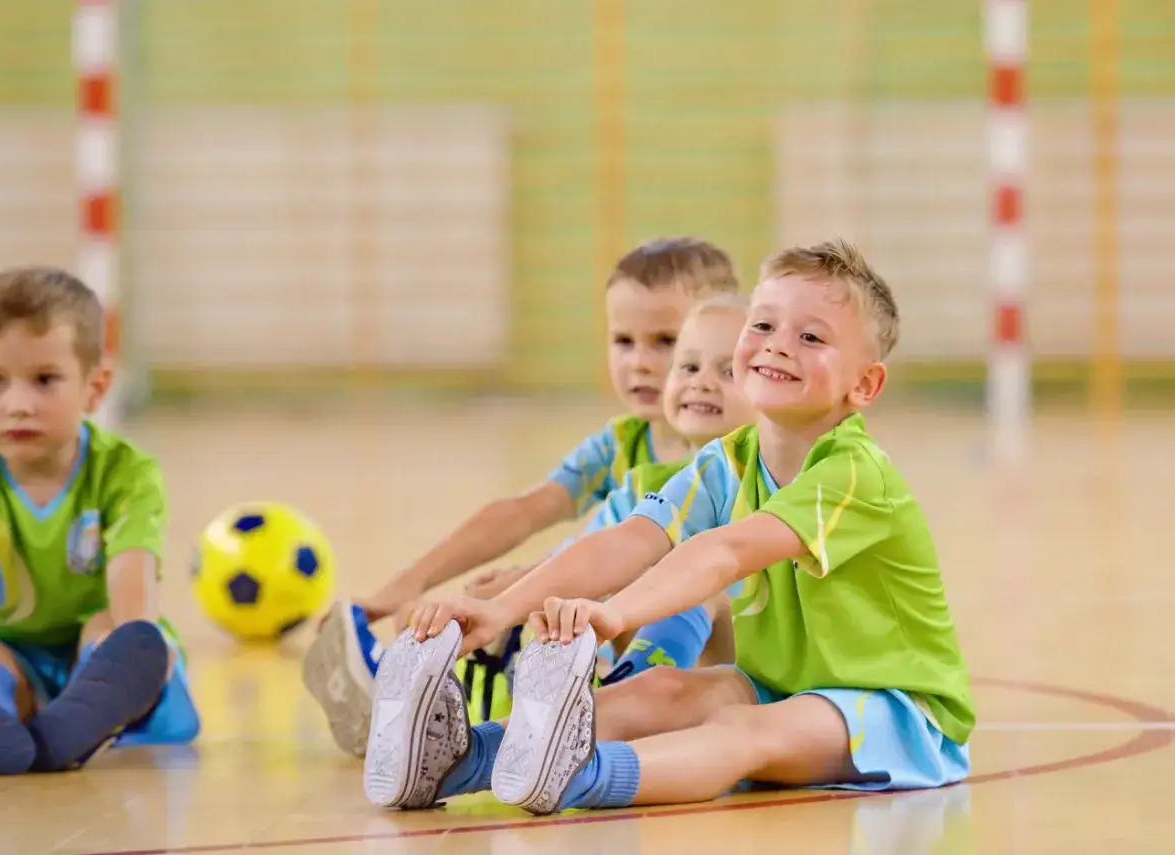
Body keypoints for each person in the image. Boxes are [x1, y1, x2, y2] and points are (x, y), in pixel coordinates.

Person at [360, 238, 975, 815]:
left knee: (740, 729)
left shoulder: (855, 474)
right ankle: (458, 760)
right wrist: (503, 611)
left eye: (810, 336)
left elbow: (725, 552)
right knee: (657, 693)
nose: (776, 345)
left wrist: (614, 614)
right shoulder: (725, 461)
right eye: (763, 325)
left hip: (896, 711)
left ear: (864, 384)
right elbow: (630, 539)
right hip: (780, 685)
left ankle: (581, 775)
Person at [303, 237, 740, 755]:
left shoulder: (735, 458)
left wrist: (526, 583)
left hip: (715, 657)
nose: (640, 363)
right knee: (496, 602)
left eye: (665, 341)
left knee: (598, 585)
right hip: (627, 624)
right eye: (623, 341)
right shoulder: (625, 443)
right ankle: (432, 702)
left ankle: (609, 706)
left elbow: (652, 556)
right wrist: (402, 588)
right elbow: (522, 512)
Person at [0, 267, 199, 775]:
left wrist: (134, 647)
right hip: (8, 651)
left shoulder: (125, 471)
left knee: (114, 630)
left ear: (96, 387)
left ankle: (108, 705)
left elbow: (132, 568)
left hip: (92, 653)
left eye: (44, 380)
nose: (18, 405)